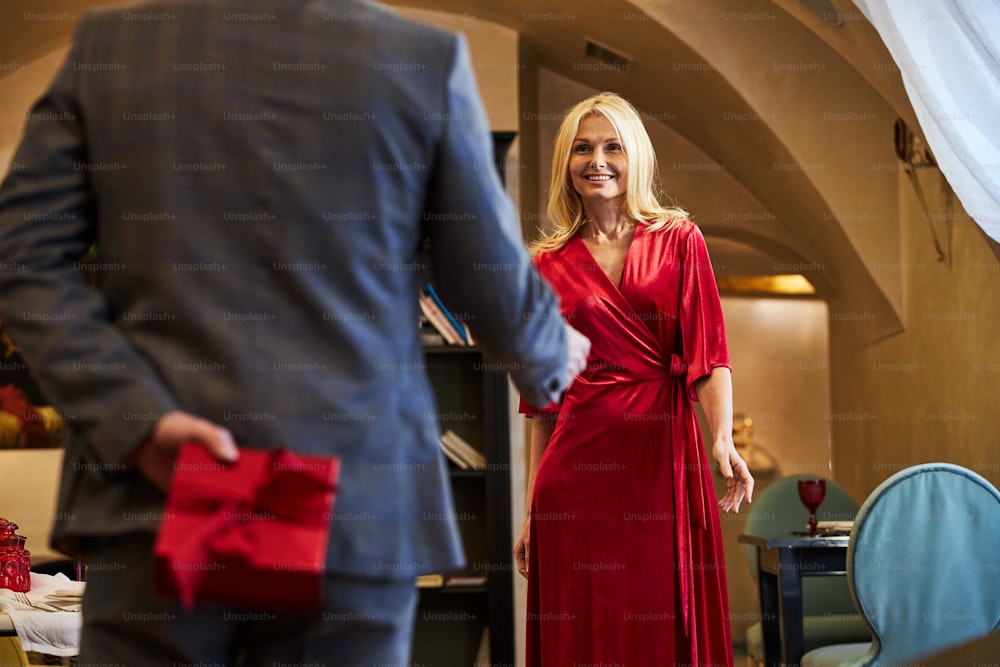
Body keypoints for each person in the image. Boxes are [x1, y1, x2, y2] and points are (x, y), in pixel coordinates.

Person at [0, 1, 590, 665]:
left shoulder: (112, 49)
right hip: (353, 506)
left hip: (155, 503)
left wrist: (137, 421)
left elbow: (20, 261)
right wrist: (551, 350)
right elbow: (487, 278)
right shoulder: (421, 61)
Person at [513, 92, 754, 667]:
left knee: (663, 614)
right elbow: (544, 402)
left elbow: (709, 357)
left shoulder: (680, 240)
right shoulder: (546, 265)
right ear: (565, 165)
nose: (598, 160)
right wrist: (529, 511)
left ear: (635, 156)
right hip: (574, 479)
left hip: (662, 460)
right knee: (584, 621)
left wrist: (721, 439)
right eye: (583, 148)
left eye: (612, 146)